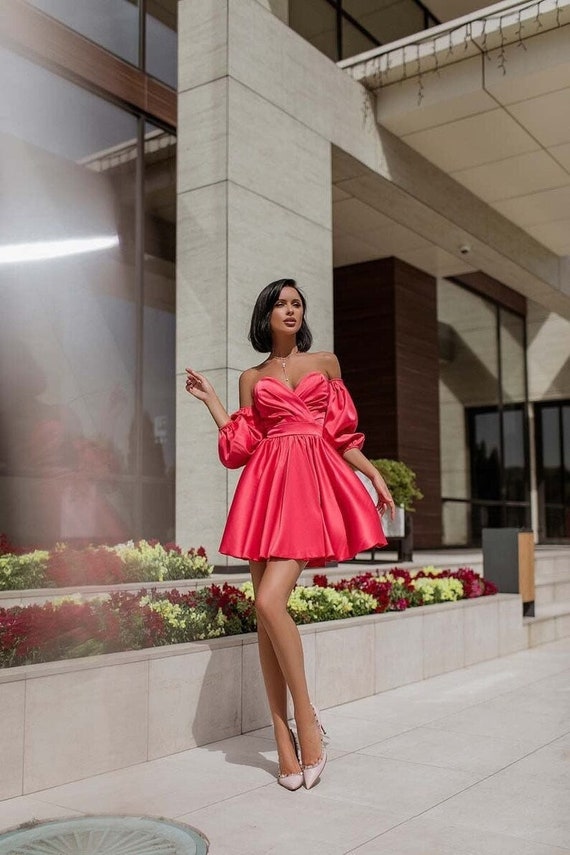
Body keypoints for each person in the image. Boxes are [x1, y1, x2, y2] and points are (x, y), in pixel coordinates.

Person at [185, 278, 394, 791]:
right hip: (264, 489)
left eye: (297, 303)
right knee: (263, 610)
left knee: (271, 600)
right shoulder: (250, 377)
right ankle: (283, 742)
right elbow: (242, 446)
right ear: (266, 314)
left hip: (308, 489)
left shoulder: (325, 363)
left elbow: (338, 435)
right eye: (281, 303)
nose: (291, 310)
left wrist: (373, 473)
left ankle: (307, 720)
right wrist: (214, 402)